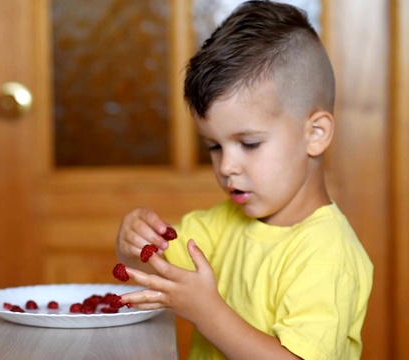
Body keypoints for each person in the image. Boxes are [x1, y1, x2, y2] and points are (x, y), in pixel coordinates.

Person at [114, 1, 374, 359]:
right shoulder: (224, 223)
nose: (226, 167)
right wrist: (132, 239)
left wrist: (209, 314)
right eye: (214, 147)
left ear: (315, 133)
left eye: (249, 144)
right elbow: (154, 273)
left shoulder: (327, 255)